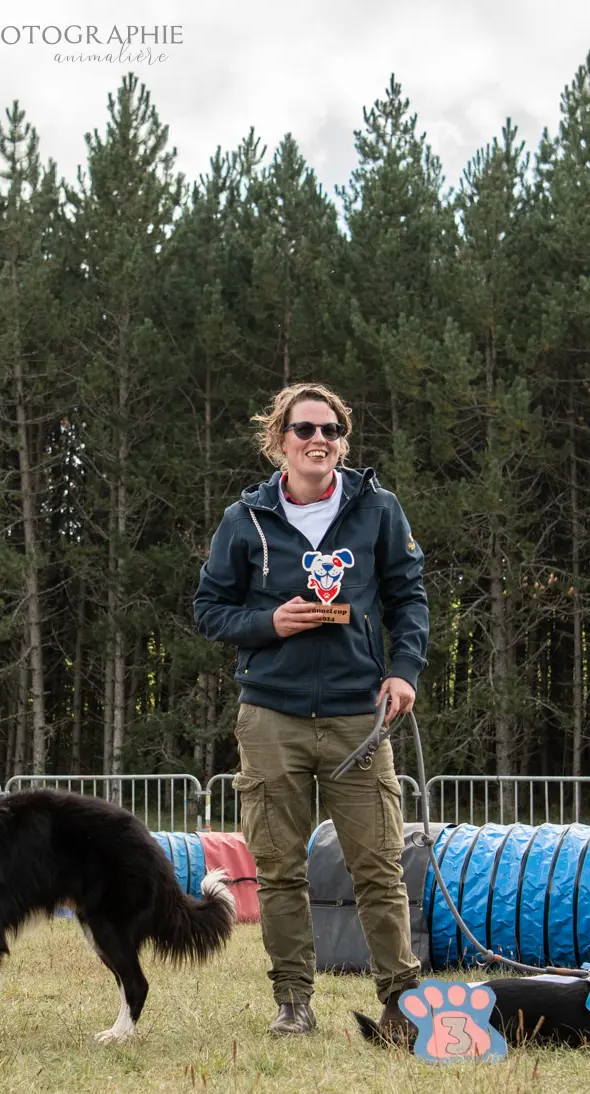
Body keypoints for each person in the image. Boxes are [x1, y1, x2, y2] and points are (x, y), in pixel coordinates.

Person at [193, 383, 429, 1039]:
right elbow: (209, 610)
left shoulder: (378, 508)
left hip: (360, 715)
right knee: (279, 872)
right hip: (272, 716)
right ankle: (293, 1003)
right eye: (304, 430)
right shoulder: (244, 520)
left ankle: (401, 1004)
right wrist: (271, 621)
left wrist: (404, 672)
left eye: (330, 429)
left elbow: (409, 597)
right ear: (280, 441)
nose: (318, 440)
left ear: (342, 440)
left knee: (380, 869)